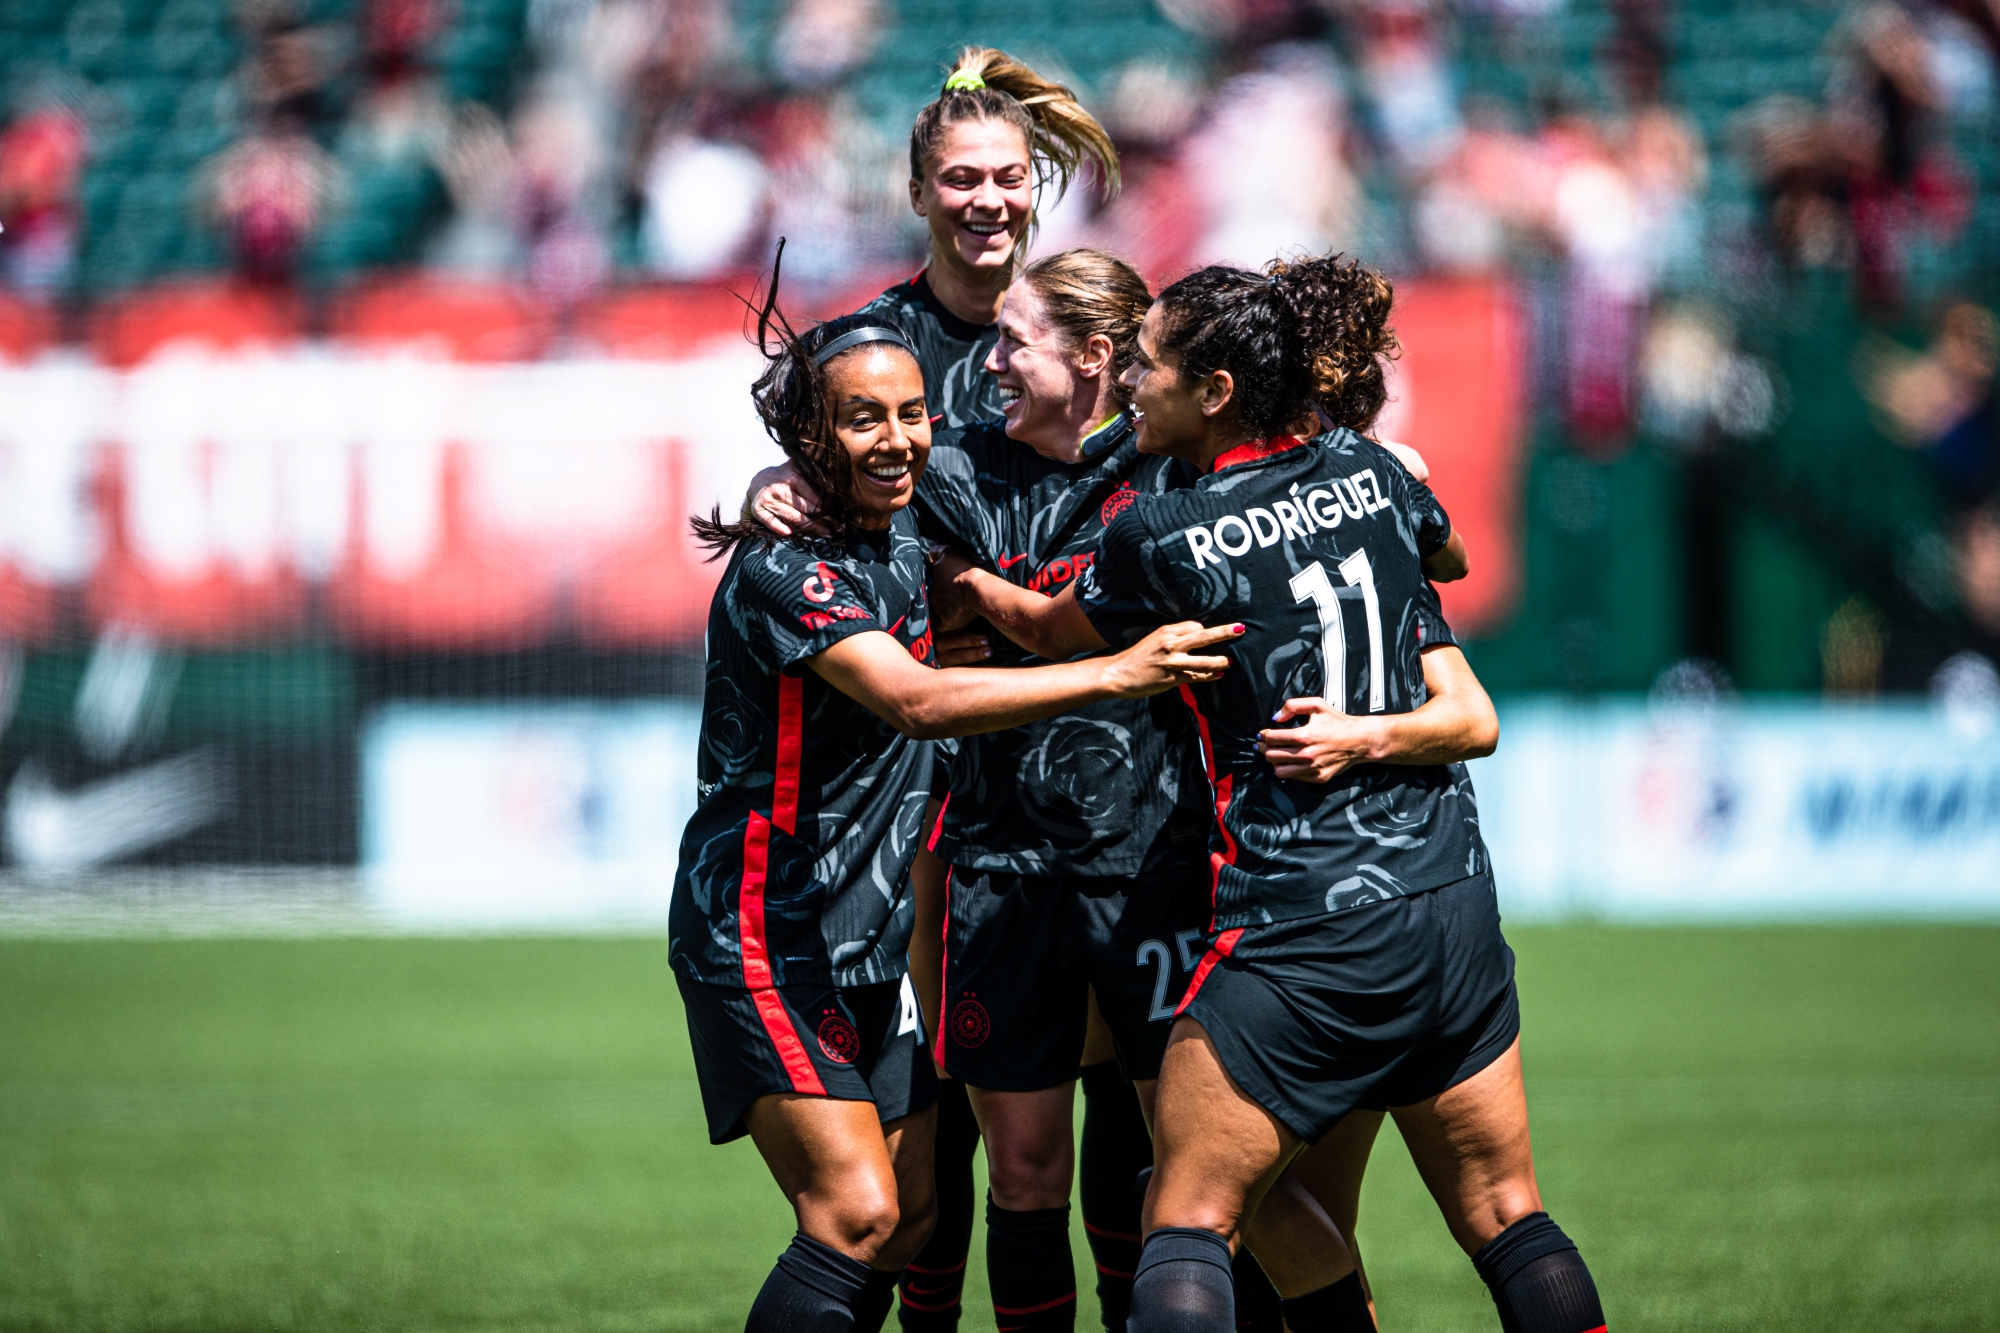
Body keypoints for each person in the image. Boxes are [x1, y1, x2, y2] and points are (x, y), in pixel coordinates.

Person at [939, 254, 1608, 1333]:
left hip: (1301, 925)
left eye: (1148, 367)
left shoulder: (1157, 535)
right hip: (1449, 906)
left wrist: (970, 585)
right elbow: (1444, 555)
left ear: (1211, 393)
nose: (1131, 387)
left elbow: (1051, 632)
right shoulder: (1375, 469)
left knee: (1187, 1214)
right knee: (1505, 1212)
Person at [670, 269, 1245, 1333]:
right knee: (861, 1213)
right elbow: (920, 702)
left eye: (908, 415)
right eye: (862, 419)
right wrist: (1121, 670)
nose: (897, 439)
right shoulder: (788, 564)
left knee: (916, 1207)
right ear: (812, 432)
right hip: (767, 927)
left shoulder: (908, 530)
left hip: (882, 935)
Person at [750, 52, 1139, 1332]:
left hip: (1098, 787)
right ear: (915, 190)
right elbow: (799, 520)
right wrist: (765, 502)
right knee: (939, 1137)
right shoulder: (871, 347)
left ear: (1039, 190)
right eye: (960, 179)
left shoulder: (1088, 337)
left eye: (1007, 178)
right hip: (925, 794)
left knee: (1121, 1126)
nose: (987, 201)